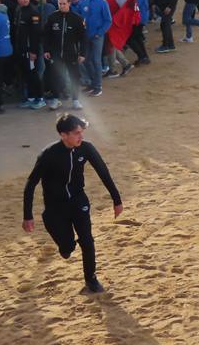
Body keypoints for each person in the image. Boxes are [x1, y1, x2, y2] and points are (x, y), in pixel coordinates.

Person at [22, 114, 123, 294]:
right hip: (55, 207)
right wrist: (27, 215)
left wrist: (116, 200)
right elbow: (31, 184)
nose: (81, 137)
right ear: (63, 135)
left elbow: (103, 172)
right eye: (76, 133)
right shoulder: (48, 155)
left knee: (87, 240)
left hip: (78, 201)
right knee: (68, 247)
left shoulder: (86, 148)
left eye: (82, 132)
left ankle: (91, 280)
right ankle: (65, 247)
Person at [43, 0, 86, 110]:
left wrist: (82, 53)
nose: (61, 6)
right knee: (55, 77)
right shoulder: (52, 18)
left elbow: (83, 38)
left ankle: (76, 100)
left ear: (69, 4)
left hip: (72, 54)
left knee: (74, 77)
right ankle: (56, 99)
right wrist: (46, 50)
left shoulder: (77, 19)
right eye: (59, 4)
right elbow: (46, 35)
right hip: (55, 54)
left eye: (64, 4)